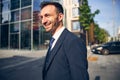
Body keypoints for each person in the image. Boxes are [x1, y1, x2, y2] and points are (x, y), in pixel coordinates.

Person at [39, 1, 89, 80]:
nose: (43, 21)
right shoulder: (53, 40)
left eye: (47, 16)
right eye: (41, 17)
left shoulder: (73, 42)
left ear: (60, 17)